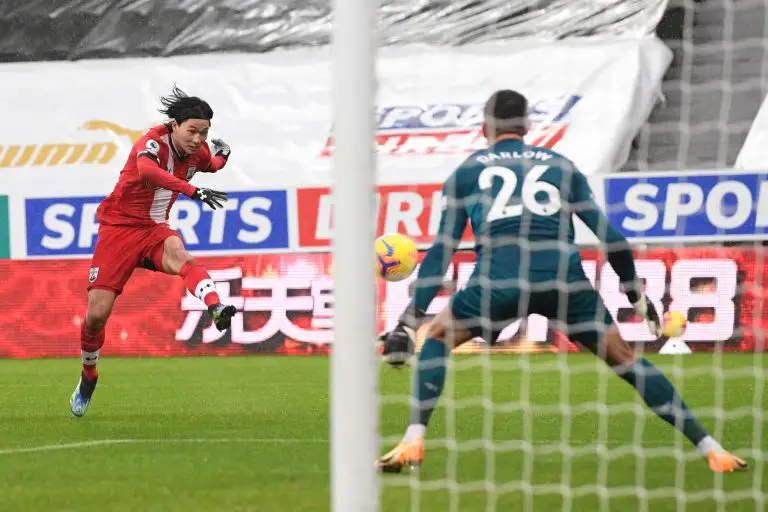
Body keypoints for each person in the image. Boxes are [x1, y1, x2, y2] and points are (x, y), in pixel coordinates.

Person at [376, 89, 747, 474]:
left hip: (496, 282)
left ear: (485, 128)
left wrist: (407, 320)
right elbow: (614, 240)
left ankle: (414, 438)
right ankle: (711, 449)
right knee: (627, 360)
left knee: (437, 336)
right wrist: (636, 296)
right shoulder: (561, 166)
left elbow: (443, 250)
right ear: (527, 127)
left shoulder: (467, 173)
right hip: (565, 285)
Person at [70, 86, 236, 418]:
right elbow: (147, 171)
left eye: (204, 132)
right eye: (192, 131)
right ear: (174, 125)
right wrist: (192, 190)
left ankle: (216, 307)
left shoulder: (197, 149)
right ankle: (89, 375)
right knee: (97, 316)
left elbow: (213, 164)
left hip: (154, 230)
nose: (198, 138)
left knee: (183, 257)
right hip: (118, 230)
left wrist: (223, 153)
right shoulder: (152, 142)